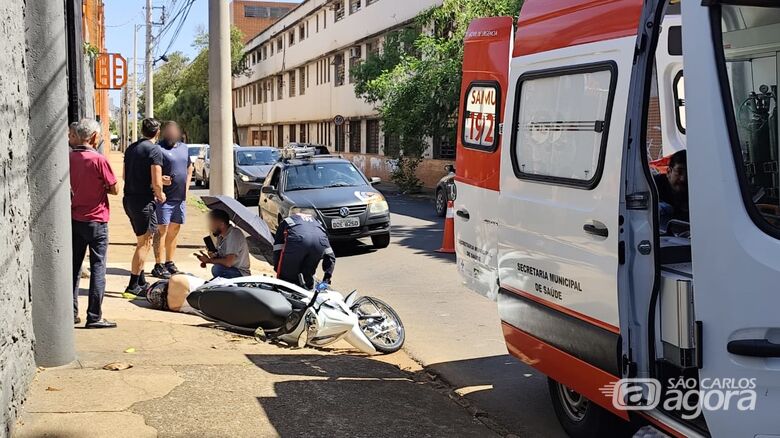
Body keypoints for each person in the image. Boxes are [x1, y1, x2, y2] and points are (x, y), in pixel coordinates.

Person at [69, 119, 118, 329]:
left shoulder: (68, 158)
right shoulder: (99, 160)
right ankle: (94, 316)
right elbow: (114, 188)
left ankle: (71, 313)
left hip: (75, 218)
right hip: (97, 220)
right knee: (98, 268)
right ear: (94, 137)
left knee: (74, 268)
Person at [123, 118, 165, 296]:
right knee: (144, 242)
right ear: (157, 132)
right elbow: (156, 180)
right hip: (144, 202)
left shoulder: (131, 148)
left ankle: (140, 280)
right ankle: (132, 286)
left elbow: (126, 175)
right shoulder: (154, 150)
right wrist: (160, 192)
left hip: (130, 199)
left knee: (146, 238)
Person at [151, 121, 193, 279]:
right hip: (163, 198)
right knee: (161, 230)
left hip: (179, 199)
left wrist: (187, 188)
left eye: (174, 130)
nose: (172, 133)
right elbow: (151, 171)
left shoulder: (184, 148)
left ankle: (169, 261)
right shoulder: (158, 149)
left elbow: (189, 168)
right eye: (169, 131)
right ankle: (158, 264)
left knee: (174, 230)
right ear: (163, 132)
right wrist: (159, 180)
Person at [273, 213, 335, 289]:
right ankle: (308, 288)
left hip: (297, 240)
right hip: (318, 243)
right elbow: (330, 255)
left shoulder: (286, 221)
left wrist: (278, 269)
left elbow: (277, 248)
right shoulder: (317, 222)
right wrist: (326, 279)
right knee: (307, 276)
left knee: (286, 279)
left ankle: (285, 290)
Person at [195, 209, 251, 279]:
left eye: (212, 224)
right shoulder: (220, 236)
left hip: (239, 273)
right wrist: (213, 256)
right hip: (229, 270)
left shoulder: (234, 235)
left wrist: (209, 260)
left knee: (216, 269)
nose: (210, 227)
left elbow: (228, 263)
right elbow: (222, 260)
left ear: (221, 224)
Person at [654, 150, 689, 224]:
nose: (683, 178)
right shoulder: (652, 186)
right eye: (679, 172)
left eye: (688, 173)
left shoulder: (697, 191)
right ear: (669, 172)